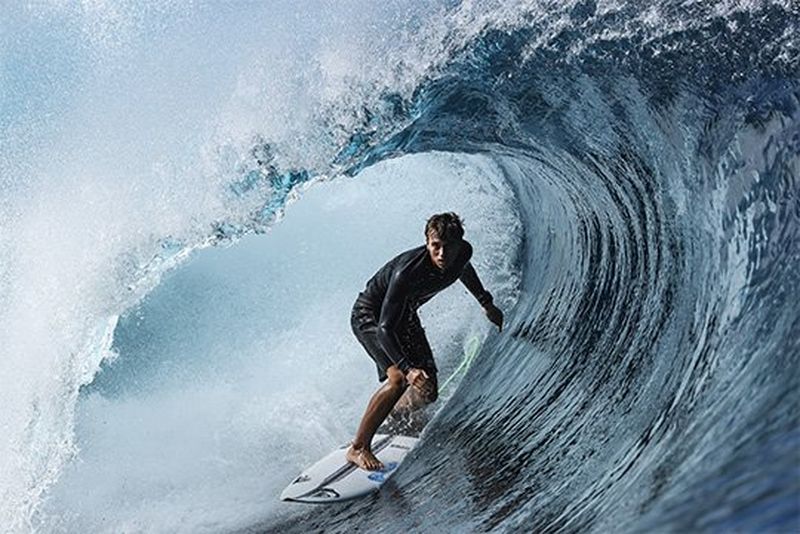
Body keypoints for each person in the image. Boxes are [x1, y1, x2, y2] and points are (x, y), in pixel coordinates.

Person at [347, 212, 504, 470]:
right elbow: (385, 329)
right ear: (427, 243)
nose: (442, 254)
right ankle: (358, 447)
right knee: (398, 378)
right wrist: (408, 369)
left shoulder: (463, 253)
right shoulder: (407, 273)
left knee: (428, 391)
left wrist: (486, 303)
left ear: (459, 244)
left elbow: (463, 269)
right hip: (371, 317)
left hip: (404, 316)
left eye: (448, 247)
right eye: (435, 246)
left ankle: (394, 412)